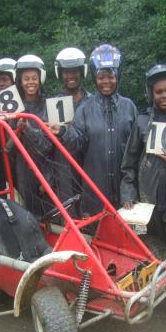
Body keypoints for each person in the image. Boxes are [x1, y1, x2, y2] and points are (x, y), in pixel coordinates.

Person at [50, 44, 137, 216]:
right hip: (94, 193)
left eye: (111, 76)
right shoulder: (85, 108)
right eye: (101, 77)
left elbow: (135, 152)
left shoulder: (129, 107)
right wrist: (62, 131)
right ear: (94, 78)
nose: (106, 82)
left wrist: (129, 190)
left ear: (118, 76)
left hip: (124, 192)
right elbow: (77, 141)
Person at [120, 64, 166, 256]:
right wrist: (127, 193)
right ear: (151, 94)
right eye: (159, 92)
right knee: (148, 248)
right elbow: (129, 162)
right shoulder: (141, 122)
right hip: (147, 199)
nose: (164, 95)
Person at [51, 47, 92, 215]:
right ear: (60, 74)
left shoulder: (93, 102)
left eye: (74, 71)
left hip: (89, 162)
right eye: (66, 72)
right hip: (64, 167)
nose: (71, 76)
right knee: (69, 212)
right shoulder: (53, 104)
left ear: (82, 72)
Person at [13, 54, 53, 216]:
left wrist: (29, 130)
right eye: (26, 79)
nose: (30, 82)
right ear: (20, 82)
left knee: (49, 209)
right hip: (22, 164)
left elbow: (49, 143)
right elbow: (7, 144)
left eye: (34, 78)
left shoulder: (49, 104)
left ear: (40, 79)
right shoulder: (13, 105)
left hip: (46, 163)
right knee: (27, 209)